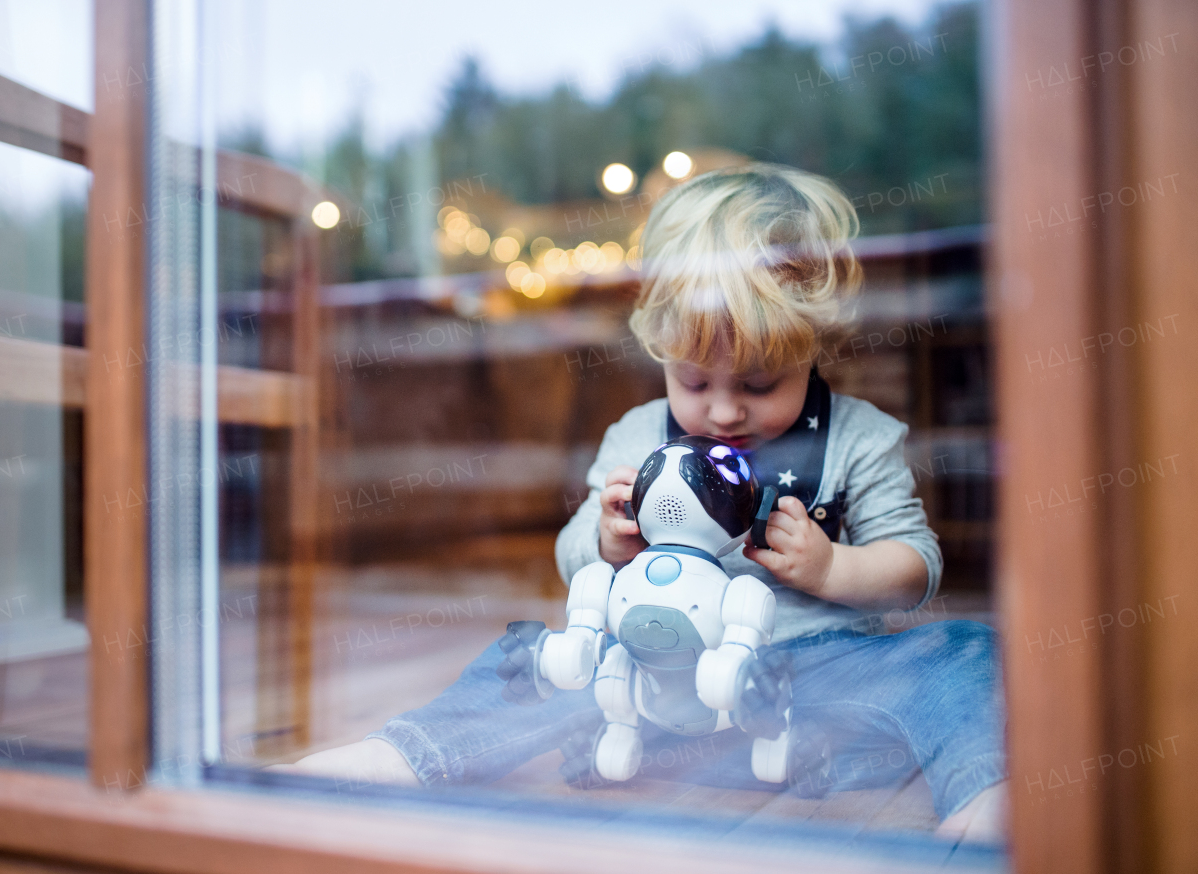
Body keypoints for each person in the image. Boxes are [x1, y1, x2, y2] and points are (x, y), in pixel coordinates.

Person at [286, 164, 1007, 843]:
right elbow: (573, 558)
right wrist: (606, 541)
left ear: (812, 347)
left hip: (805, 674)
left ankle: (984, 790)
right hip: (652, 675)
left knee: (965, 653)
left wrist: (832, 569)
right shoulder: (635, 436)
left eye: (759, 385)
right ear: (661, 351)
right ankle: (404, 755)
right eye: (694, 382)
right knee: (524, 660)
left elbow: (917, 565)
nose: (723, 411)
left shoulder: (858, 438)